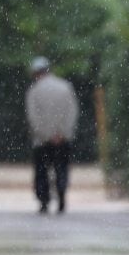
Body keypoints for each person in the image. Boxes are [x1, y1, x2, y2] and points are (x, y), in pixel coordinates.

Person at [25, 56, 78, 214]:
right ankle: (61, 194)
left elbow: (33, 117)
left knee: (41, 171)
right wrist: (62, 133)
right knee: (61, 168)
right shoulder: (65, 87)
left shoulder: (34, 91)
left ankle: (44, 201)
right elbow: (72, 112)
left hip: (42, 140)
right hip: (63, 138)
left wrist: (46, 135)